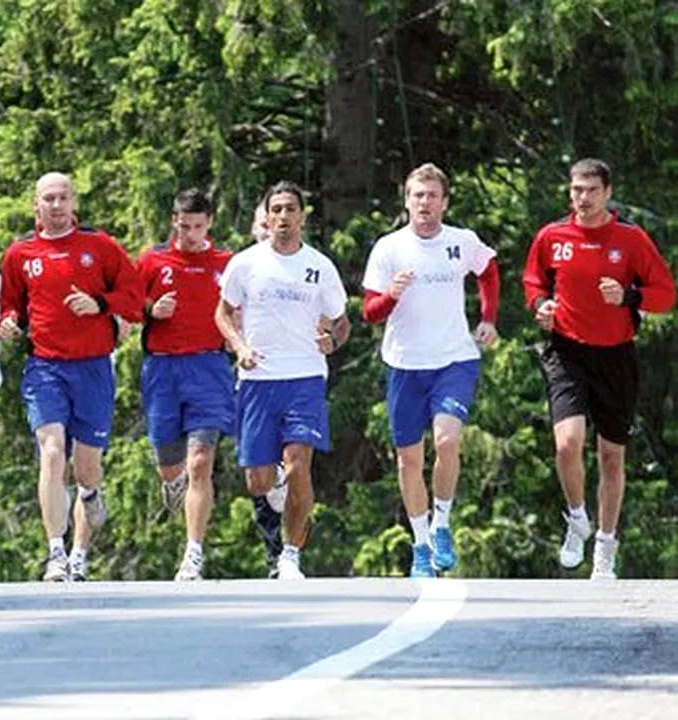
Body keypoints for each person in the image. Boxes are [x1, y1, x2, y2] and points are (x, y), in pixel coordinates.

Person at [522, 158, 675, 579]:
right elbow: (533, 280)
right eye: (575, 190)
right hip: (567, 351)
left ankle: (605, 548)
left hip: (616, 355)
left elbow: (665, 295)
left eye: (590, 190)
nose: (582, 198)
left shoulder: (630, 239)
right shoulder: (553, 236)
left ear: (607, 192)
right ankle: (576, 516)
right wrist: (541, 306)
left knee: (611, 457)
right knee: (567, 444)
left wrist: (627, 296)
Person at [0, 172, 144, 582]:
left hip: (93, 367)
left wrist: (99, 303)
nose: (57, 205)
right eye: (49, 198)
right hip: (45, 367)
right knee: (51, 450)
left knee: (85, 468)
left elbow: (134, 301)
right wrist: (8, 322)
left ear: (73, 202)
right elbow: (10, 306)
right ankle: (56, 554)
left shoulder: (99, 247)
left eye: (63, 197)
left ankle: (91, 493)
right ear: (36, 205)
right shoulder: (20, 254)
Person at [361, 163, 501, 578]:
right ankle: (420, 545)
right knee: (408, 460)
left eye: (432, 196)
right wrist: (391, 296)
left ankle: (442, 525)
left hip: (454, 359)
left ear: (445, 201)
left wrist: (488, 318)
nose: (424, 203)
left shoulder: (461, 241)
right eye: (417, 196)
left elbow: (489, 271)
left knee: (446, 441)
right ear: (406, 201)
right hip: (405, 364)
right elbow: (370, 313)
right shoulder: (389, 249)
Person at [215, 181, 350, 580]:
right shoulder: (245, 264)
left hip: (305, 377)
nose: (283, 217)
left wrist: (332, 341)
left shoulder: (320, 267)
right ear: (267, 217)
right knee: (258, 481)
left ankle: (290, 554)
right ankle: (273, 485)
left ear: (302, 217)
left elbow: (341, 322)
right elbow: (223, 313)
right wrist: (239, 346)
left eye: (291, 209)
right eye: (276, 210)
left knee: (298, 464)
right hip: (258, 379)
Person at [135, 189, 235, 581]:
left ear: (209, 223)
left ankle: (193, 551)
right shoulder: (152, 260)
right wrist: (150, 310)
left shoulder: (226, 263)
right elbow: (127, 306)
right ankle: (171, 482)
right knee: (171, 464)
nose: (191, 233)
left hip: (209, 367)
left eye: (198, 226)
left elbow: (243, 306)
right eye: (184, 224)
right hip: (162, 370)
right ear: (174, 220)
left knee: (200, 462)